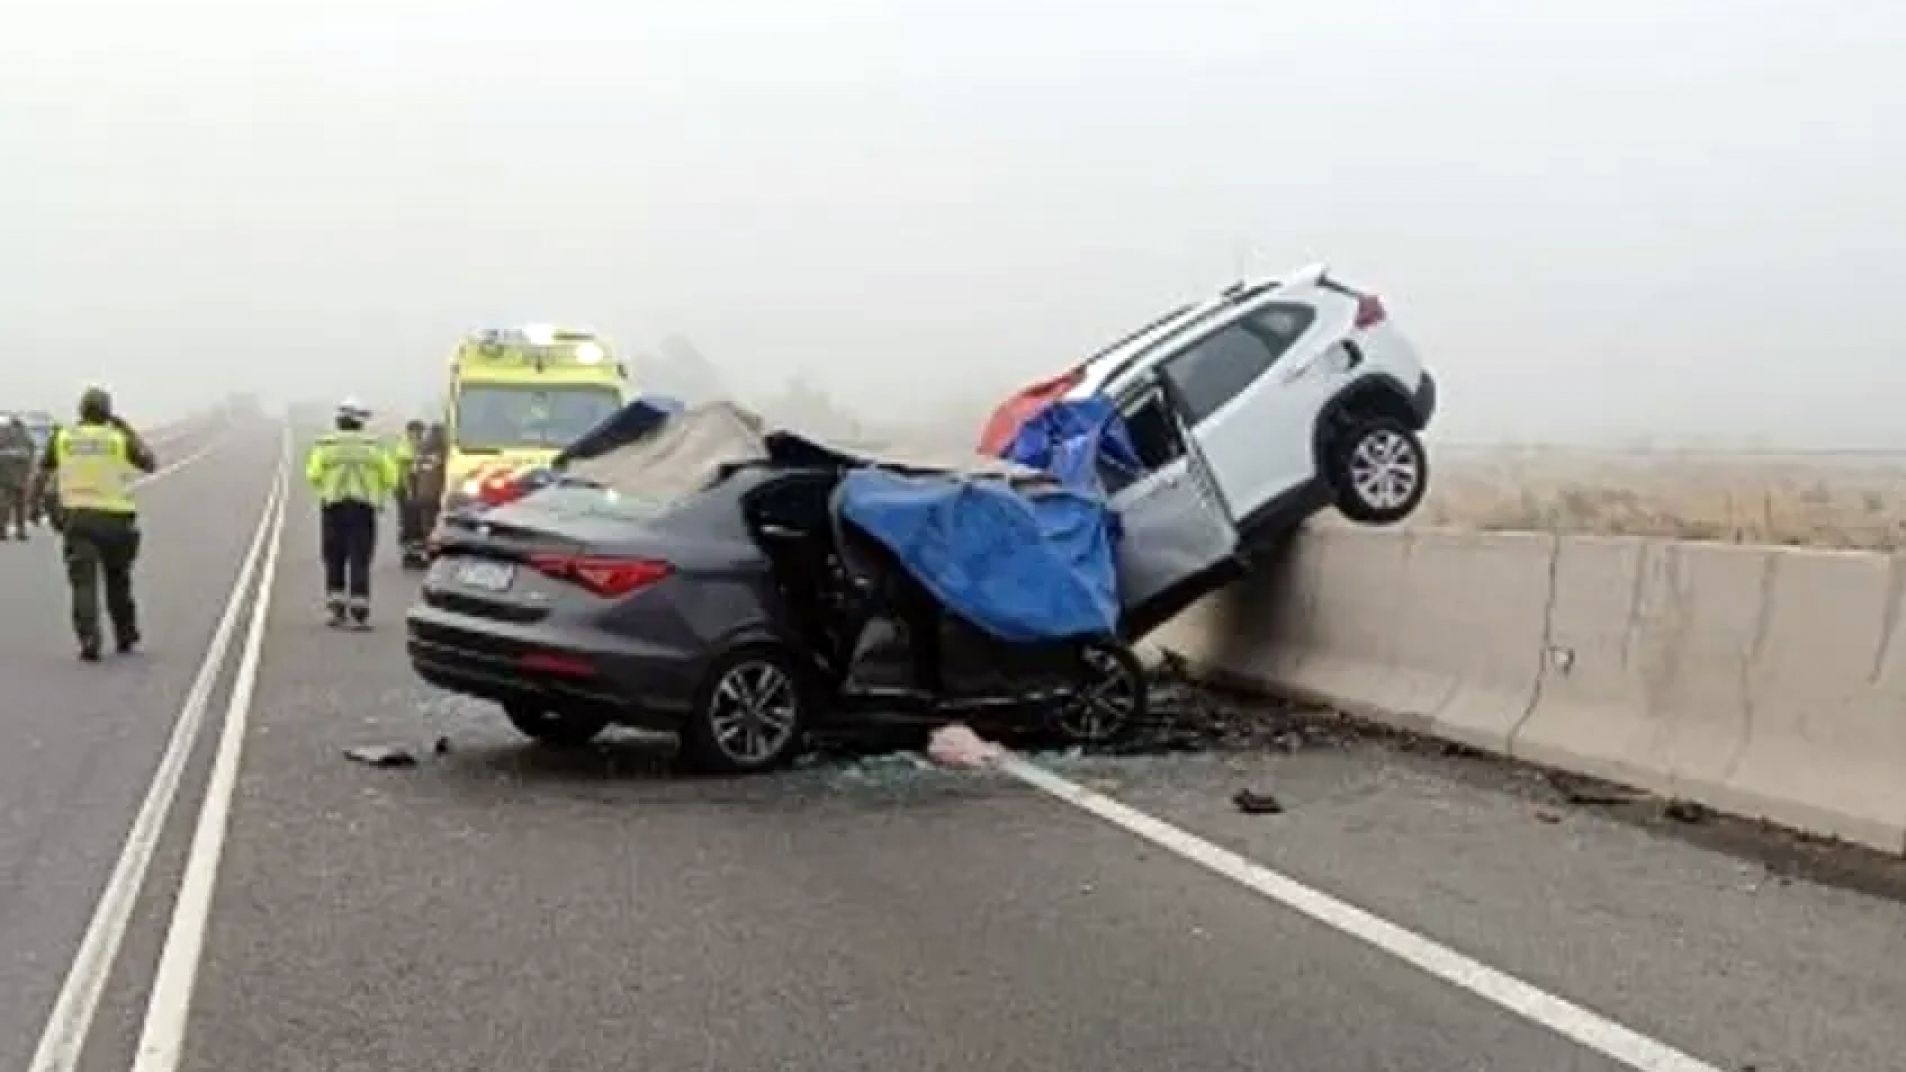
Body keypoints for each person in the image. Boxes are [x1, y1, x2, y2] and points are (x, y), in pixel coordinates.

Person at [33, 387, 156, 661]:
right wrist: (126, 428)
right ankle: (126, 635)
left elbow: (42, 475)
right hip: (116, 520)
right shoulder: (118, 438)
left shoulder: (63, 437)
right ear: (108, 412)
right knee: (118, 580)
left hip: (79, 519)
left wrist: (37, 507)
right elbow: (149, 462)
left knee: (83, 584)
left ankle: (89, 638)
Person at [305, 399, 400, 629]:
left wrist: (330, 486)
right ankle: (359, 612)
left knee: (334, 557)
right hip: (362, 509)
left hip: (333, 507)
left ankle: (335, 609)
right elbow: (391, 477)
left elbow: (313, 474)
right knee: (360, 558)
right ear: (361, 423)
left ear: (339, 420)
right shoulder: (374, 446)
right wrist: (375, 490)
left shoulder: (325, 445)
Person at [0, 417, 35, 541]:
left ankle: (6, 530)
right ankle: (18, 531)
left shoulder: (4, 433)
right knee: (17, 504)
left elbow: (31, 453)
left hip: (10, 475)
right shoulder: (25, 436)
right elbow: (31, 453)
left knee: (7, 504)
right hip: (16, 475)